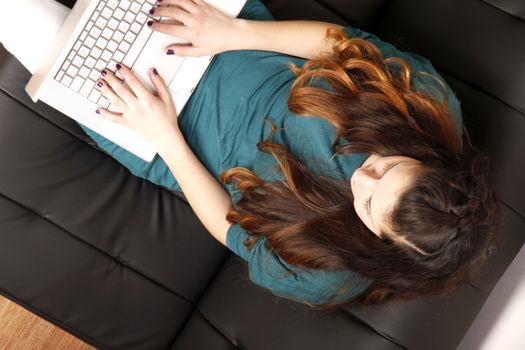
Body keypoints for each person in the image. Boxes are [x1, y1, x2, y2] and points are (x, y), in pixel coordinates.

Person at [0, 0, 501, 310]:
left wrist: (165, 136)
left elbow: (228, 226)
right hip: (223, 30)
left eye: (369, 208)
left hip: (157, 122)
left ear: (386, 248)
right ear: (431, 156)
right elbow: (344, 45)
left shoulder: (327, 275)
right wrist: (234, 32)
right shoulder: (429, 105)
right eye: (384, 167)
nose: (361, 182)